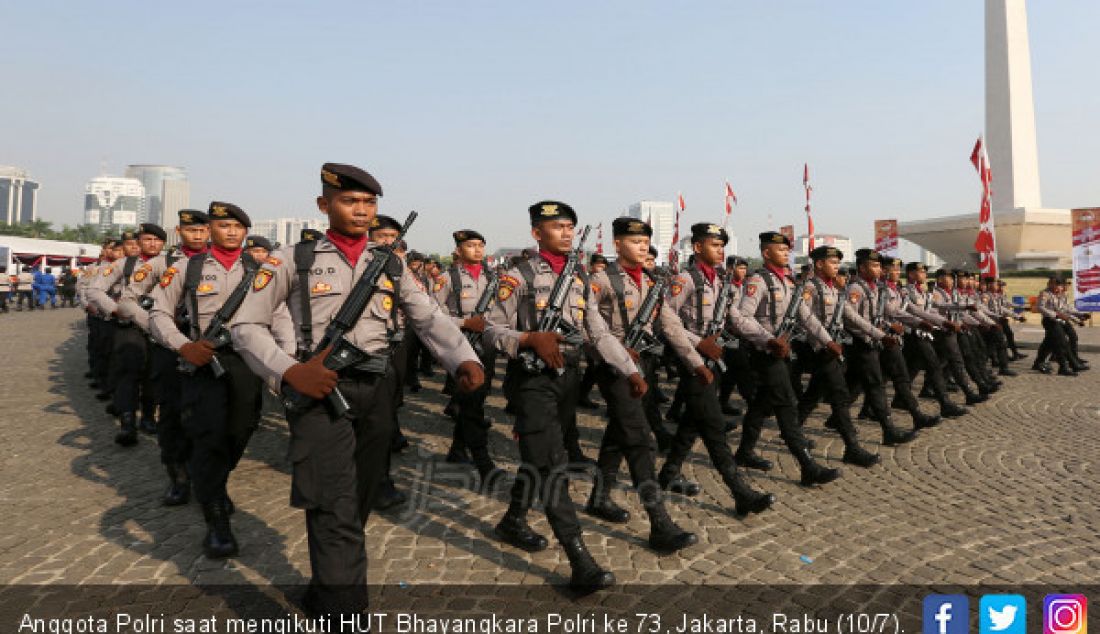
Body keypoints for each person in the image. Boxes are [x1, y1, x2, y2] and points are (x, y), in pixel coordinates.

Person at [232, 163, 484, 615]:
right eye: (350, 201)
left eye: (369, 203)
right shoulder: (293, 259)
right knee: (333, 501)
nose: (362, 210)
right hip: (319, 389)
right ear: (324, 204)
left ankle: (326, 587)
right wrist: (289, 372)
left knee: (361, 495)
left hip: (377, 388)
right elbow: (246, 325)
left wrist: (463, 357)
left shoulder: (389, 261)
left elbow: (427, 315)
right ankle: (345, 613)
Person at [483, 199, 636, 591]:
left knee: (544, 455)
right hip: (531, 380)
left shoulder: (579, 276)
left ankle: (513, 519)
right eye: (557, 226)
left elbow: (597, 331)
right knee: (552, 465)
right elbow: (488, 329)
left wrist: (628, 368)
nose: (567, 232)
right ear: (537, 232)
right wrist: (529, 338)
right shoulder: (516, 276)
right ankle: (579, 559)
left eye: (570, 226)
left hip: (567, 377)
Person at [150, 203, 293, 559]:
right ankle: (216, 520)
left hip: (248, 361)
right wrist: (184, 346)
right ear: (210, 229)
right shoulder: (188, 267)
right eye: (223, 225)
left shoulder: (258, 269)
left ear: (246, 231)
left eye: (237, 227)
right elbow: (158, 313)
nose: (230, 232)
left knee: (241, 429)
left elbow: (279, 315)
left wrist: (285, 363)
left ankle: (212, 479)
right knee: (209, 435)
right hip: (205, 361)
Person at [583, 217, 699, 551]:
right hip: (615, 369)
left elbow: (670, 325)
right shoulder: (600, 280)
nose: (642, 247)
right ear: (617, 244)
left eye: (646, 242)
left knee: (619, 433)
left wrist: (696, 360)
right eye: (635, 241)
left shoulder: (649, 281)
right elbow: (592, 329)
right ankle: (659, 522)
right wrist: (622, 359)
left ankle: (599, 497)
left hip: (642, 365)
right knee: (639, 440)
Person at [654, 223, 777, 514]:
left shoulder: (720, 282)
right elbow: (666, 320)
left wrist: (767, 339)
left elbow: (736, 318)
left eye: (722, 245)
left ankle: (669, 473)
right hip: (692, 363)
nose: (720, 250)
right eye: (714, 245)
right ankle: (740, 491)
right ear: (697, 248)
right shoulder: (685, 279)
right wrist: (699, 345)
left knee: (691, 424)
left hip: (713, 361)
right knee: (713, 428)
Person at [735, 231, 841, 487]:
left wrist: (827, 340)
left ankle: (744, 451)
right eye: (780, 250)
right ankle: (808, 466)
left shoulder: (789, 283)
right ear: (766, 253)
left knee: (761, 404)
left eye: (787, 250)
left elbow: (807, 317)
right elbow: (740, 318)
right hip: (765, 353)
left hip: (782, 352)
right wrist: (768, 339)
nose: (785, 253)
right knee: (786, 406)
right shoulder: (758, 282)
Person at [132, 209, 210, 505]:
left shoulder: (221, 264)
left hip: (206, 347)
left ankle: (206, 473)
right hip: (169, 348)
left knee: (208, 413)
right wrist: (159, 326)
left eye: (203, 230)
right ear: (180, 231)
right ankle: (177, 474)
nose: (198, 235)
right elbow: (130, 299)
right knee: (173, 412)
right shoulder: (161, 263)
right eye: (192, 230)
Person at [794, 246, 882, 467]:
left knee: (814, 392)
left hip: (831, 347)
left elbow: (848, 316)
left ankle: (792, 430)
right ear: (820, 264)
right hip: (819, 349)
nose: (837, 267)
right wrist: (826, 342)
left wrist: (876, 333)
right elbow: (806, 320)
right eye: (833, 263)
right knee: (840, 395)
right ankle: (852, 447)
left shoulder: (832, 289)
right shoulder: (810, 288)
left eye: (838, 263)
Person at [432, 229, 503, 484]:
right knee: (471, 404)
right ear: (458, 250)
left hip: (487, 345)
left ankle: (457, 450)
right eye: (471, 245)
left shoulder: (493, 278)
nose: (477, 250)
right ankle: (484, 462)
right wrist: (464, 322)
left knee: (476, 400)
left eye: (480, 245)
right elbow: (432, 315)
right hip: (461, 346)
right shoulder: (447, 278)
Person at [87, 228, 161, 443]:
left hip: (160, 327)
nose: (152, 244)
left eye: (157, 240)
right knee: (128, 373)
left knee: (153, 375)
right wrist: (114, 309)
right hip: (129, 326)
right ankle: (127, 421)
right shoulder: (124, 264)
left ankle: (148, 417)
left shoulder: (172, 264)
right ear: (139, 242)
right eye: (147, 239)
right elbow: (94, 290)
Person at [900, 263, 968, 418]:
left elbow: (929, 310)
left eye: (925, 272)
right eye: (921, 271)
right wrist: (943, 322)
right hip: (913, 334)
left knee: (910, 369)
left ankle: (899, 399)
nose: (924, 274)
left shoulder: (923, 291)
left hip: (922, 333)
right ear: (910, 274)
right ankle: (945, 404)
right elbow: (914, 311)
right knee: (934, 367)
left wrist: (942, 321)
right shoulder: (905, 291)